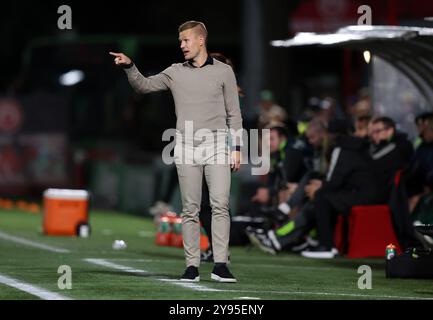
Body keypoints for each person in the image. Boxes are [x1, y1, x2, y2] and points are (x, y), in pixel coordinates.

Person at [110, 21, 242, 283]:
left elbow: (234, 114)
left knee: (220, 205)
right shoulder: (174, 72)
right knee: (190, 209)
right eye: (180, 41)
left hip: (217, 146)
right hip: (185, 147)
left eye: (186, 40)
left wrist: (236, 148)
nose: (181, 45)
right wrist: (130, 67)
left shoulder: (224, 72)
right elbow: (144, 86)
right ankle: (191, 266)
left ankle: (220, 265)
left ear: (201, 40)